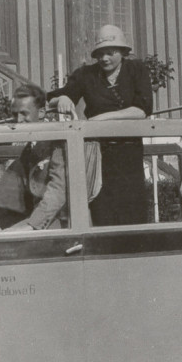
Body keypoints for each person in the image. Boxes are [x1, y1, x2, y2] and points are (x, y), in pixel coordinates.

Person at [47, 25, 152, 226]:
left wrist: (98, 119)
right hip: (97, 154)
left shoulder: (136, 70)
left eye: (110, 52)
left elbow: (142, 110)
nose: (104, 59)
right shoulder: (87, 74)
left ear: (122, 52)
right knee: (102, 209)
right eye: (100, 54)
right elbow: (56, 97)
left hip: (129, 153)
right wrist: (63, 98)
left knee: (133, 212)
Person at [4, 83, 69, 232]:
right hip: (39, 220)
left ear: (41, 112)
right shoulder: (28, 148)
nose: (18, 120)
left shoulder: (58, 140)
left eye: (24, 114)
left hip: (62, 225)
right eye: (15, 114)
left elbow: (58, 191)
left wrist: (30, 226)